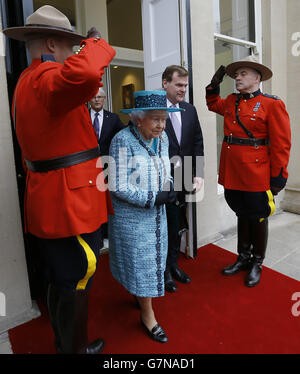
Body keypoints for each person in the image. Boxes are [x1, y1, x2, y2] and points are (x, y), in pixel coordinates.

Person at [2, 5, 116, 353]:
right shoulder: (45, 77)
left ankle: (65, 344)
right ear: (52, 44)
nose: (75, 53)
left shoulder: (25, 80)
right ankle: (74, 350)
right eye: (71, 46)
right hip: (70, 202)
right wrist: (97, 43)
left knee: (62, 277)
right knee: (80, 273)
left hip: (52, 197)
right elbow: (83, 76)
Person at [206, 55, 291, 287]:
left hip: (256, 173)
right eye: (236, 74)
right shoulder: (232, 101)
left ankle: (257, 262)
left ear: (257, 77)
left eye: (243, 74)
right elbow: (213, 104)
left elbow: (282, 143)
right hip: (233, 171)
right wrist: (213, 86)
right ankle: (242, 257)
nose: (237, 78)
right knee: (241, 213)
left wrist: (278, 176)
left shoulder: (271, 104)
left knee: (258, 216)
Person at [108, 90, 182, 343]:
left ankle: (140, 295)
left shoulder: (162, 139)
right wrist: (152, 198)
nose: (161, 125)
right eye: (155, 119)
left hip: (157, 217)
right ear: (138, 119)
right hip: (132, 219)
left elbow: (166, 167)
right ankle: (148, 315)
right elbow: (117, 185)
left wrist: (169, 186)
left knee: (150, 264)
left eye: (164, 119)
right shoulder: (121, 140)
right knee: (141, 265)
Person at [162, 65, 204, 293]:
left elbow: (197, 141)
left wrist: (199, 173)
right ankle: (164, 271)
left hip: (185, 175)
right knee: (165, 225)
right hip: (162, 179)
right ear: (165, 83)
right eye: (179, 85)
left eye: (185, 86)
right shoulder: (153, 108)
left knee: (179, 223)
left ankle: (174, 264)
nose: (183, 90)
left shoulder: (190, 109)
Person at [89, 87, 124, 157]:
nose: (96, 100)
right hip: (88, 159)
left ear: (104, 99)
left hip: (107, 159)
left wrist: (134, 119)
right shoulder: (83, 117)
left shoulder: (113, 118)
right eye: (94, 97)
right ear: (89, 100)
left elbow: (123, 132)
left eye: (99, 97)